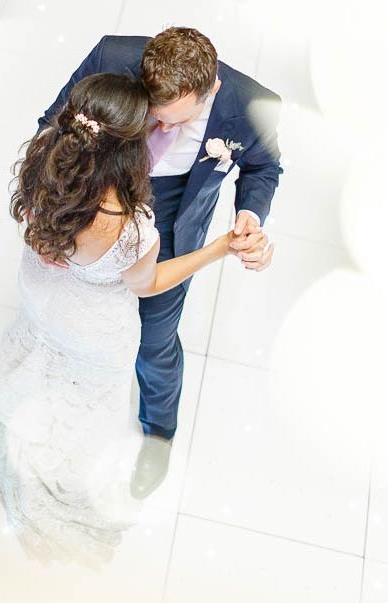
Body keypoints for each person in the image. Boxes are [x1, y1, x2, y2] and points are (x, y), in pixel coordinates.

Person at [0, 72, 241, 570]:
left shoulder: (42, 165)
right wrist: (218, 248)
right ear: (128, 150)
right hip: (93, 330)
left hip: (41, 294)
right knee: (86, 407)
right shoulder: (130, 228)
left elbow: (39, 232)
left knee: (37, 352)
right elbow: (148, 284)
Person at [38, 28, 283, 499]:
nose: (162, 132)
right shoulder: (113, 55)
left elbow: (263, 167)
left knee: (154, 341)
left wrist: (248, 216)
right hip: (94, 198)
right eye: (155, 118)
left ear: (210, 89)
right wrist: (49, 215)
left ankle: (158, 435)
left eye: (176, 122)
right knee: (75, 318)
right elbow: (54, 126)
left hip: (171, 220)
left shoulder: (253, 104)